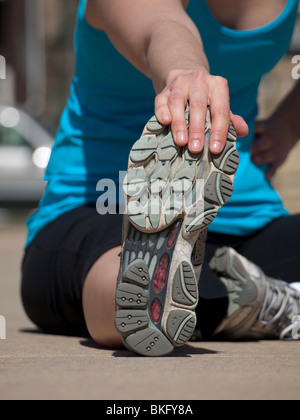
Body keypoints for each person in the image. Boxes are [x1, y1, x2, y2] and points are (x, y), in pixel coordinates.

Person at [21, 0, 300, 356]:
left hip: (248, 226)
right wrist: (184, 76)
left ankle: (252, 299)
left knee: (196, 275)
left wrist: (287, 126)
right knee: (130, 271)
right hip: (99, 207)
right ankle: (171, 296)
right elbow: (160, 24)